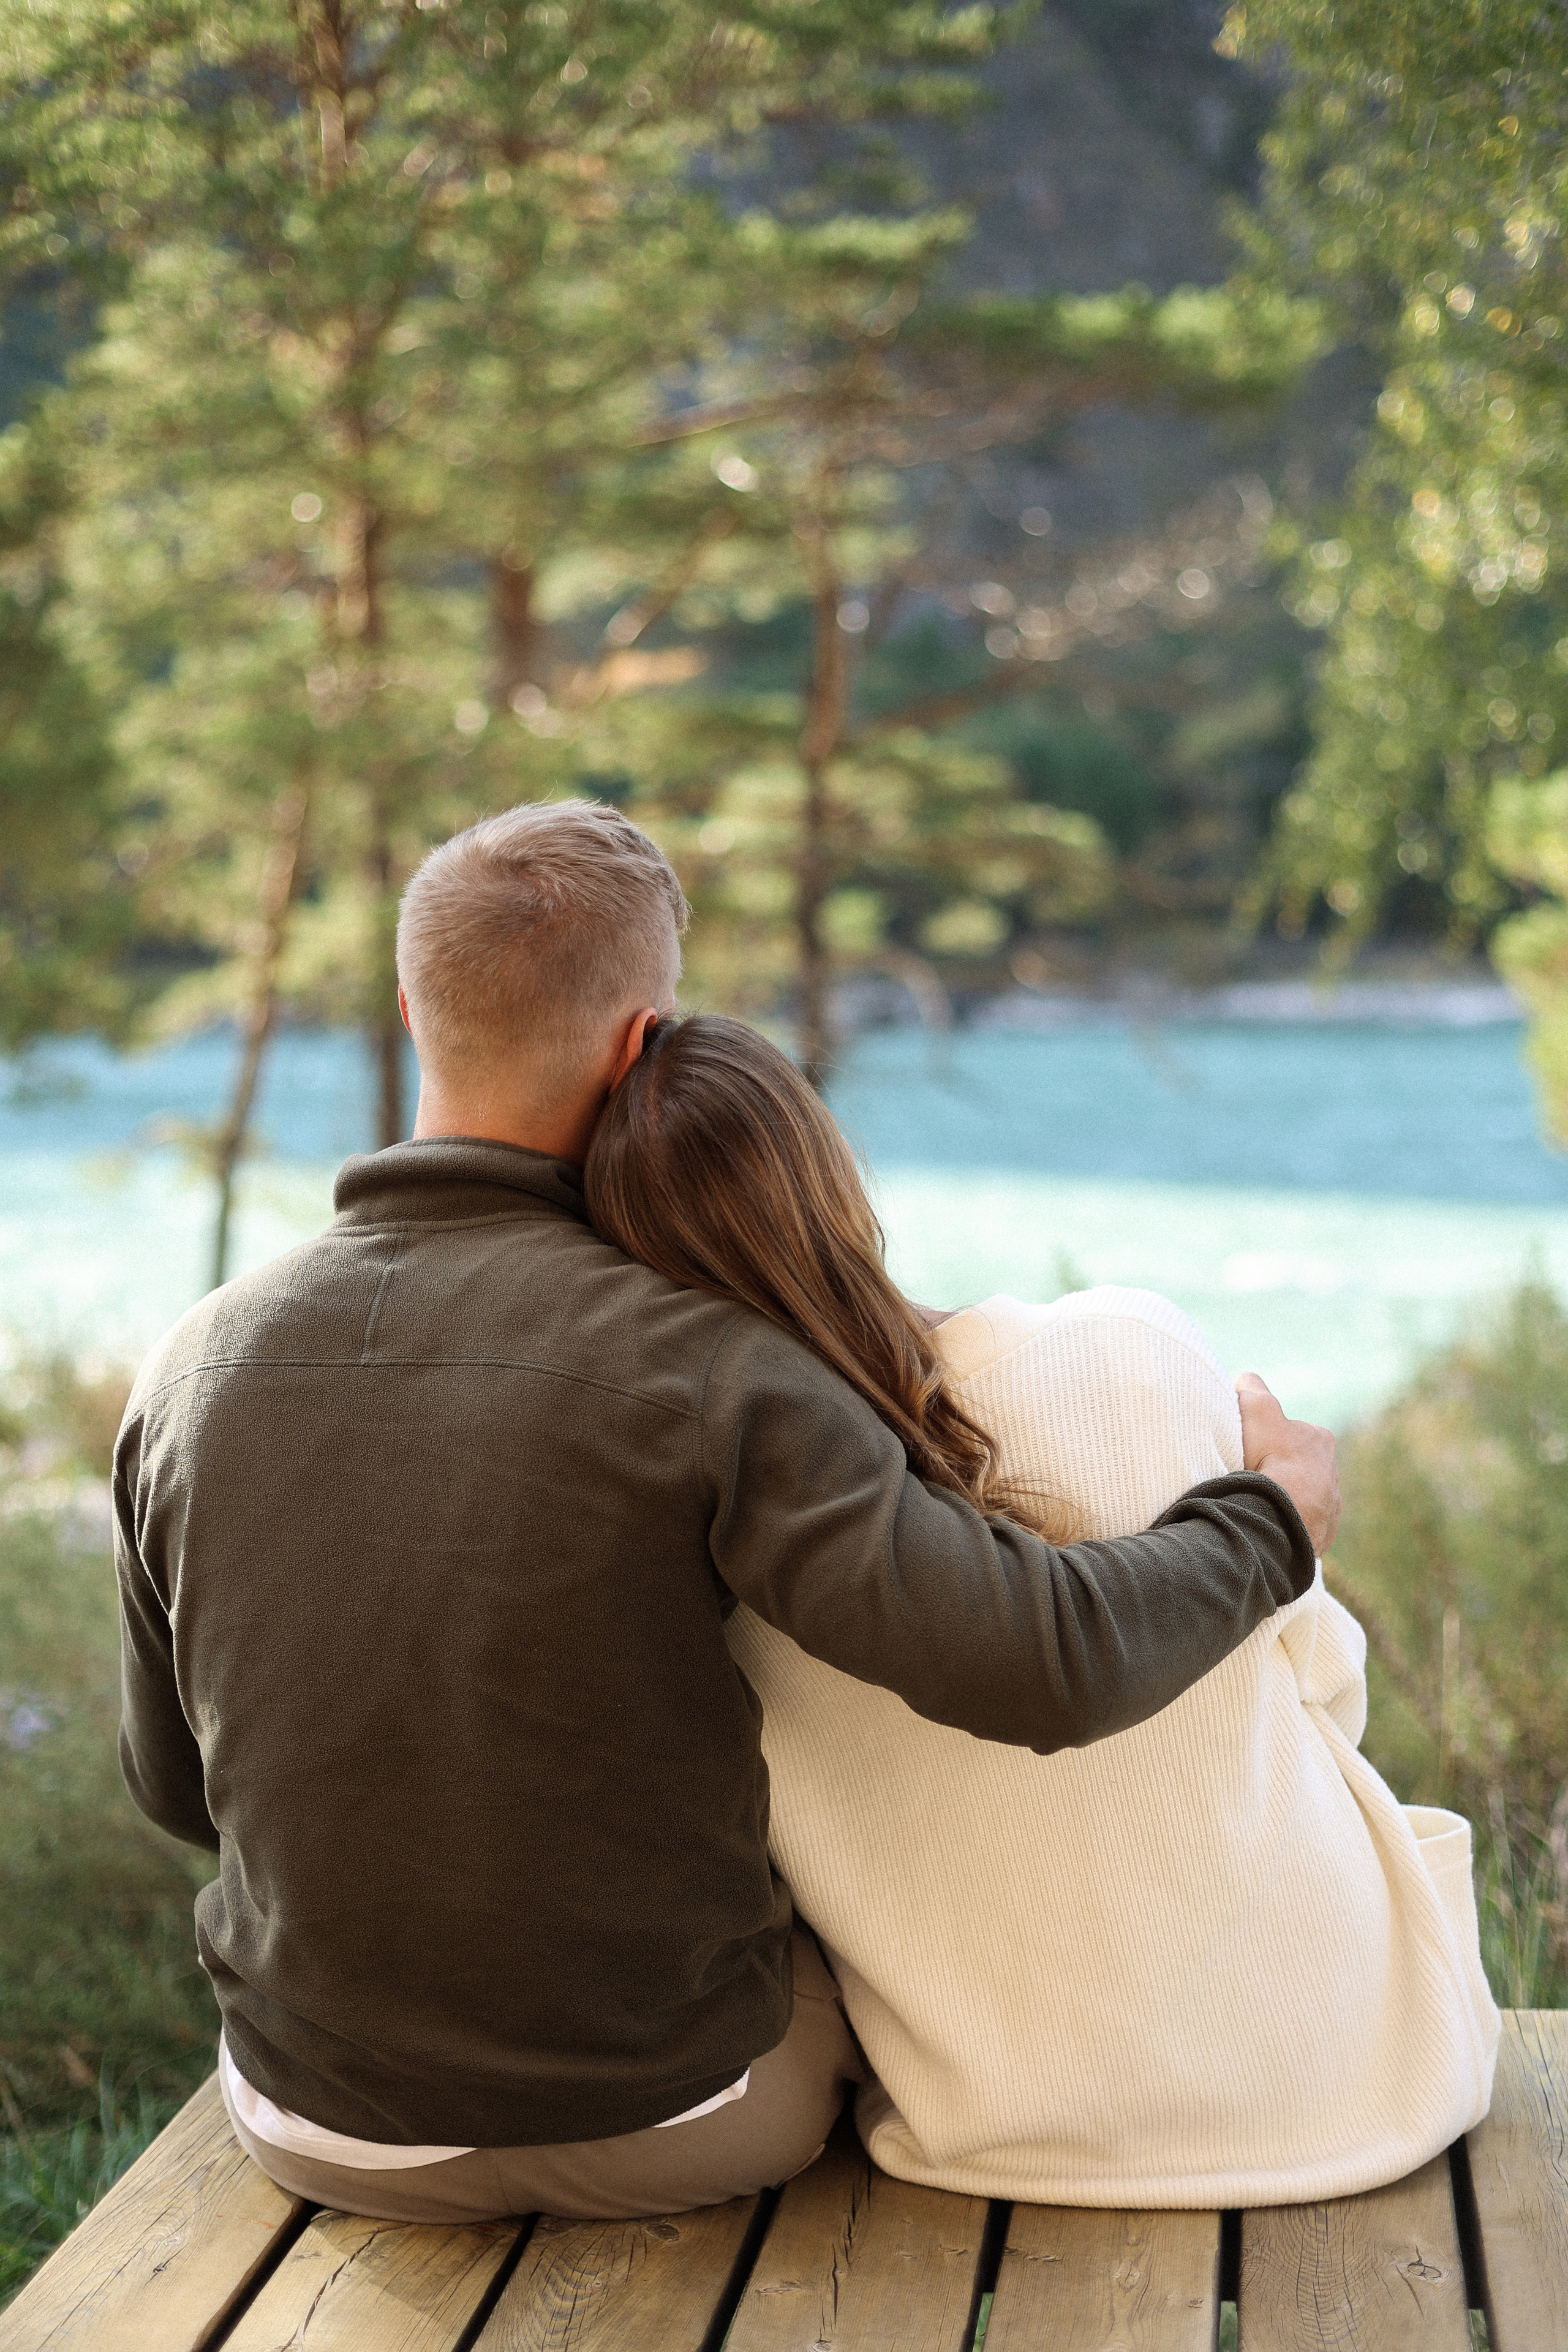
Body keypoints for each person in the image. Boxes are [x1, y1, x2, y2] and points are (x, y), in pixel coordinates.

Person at [114, 800, 1335, 2226]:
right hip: (675, 2120)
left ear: (412, 1009)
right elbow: (1042, 1662)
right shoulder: (706, 1363)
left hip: (314, 2121)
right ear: (645, 1045)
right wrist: (1267, 1520)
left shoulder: (188, 1363)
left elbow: (176, 1790)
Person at [584, 1012, 1500, 2207]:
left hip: (1001, 2138)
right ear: (834, 1179)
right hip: (1358, 2087)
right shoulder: (1125, 1349)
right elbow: (1325, 1679)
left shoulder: (700, 1526)